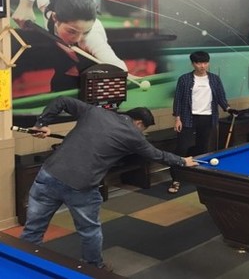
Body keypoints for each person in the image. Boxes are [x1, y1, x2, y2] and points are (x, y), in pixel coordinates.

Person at [20, 96, 198, 270]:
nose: (141, 133)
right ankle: (93, 266)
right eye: (142, 130)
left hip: (49, 175)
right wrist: (183, 161)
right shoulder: (133, 136)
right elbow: (157, 155)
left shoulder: (95, 112)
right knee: (89, 230)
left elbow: (62, 101)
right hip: (80, 185)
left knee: (34, 228)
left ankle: (22, 265)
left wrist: (41, 124)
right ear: (138, 123)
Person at [12, 0, 128, 72]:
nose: (78, 38)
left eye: (86, 32)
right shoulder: (48, 5)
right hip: (64, 61)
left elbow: (118, 67)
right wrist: (25, 5)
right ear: (55, 17)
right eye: (72, 31)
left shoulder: (92, 38)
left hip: (90, 69)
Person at [169, 51, 236, 193]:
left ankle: (199, 176)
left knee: (203, 148)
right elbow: (178, 100)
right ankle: (176, 179)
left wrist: (229, 109)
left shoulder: (214, 79)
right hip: (188, 118)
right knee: (182, 148)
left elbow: (221, 97)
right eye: (199, 63)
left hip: (207, 118)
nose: (202, 66)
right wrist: (177, 118)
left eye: (205, 63)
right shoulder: (184, 79)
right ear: (193, 64)